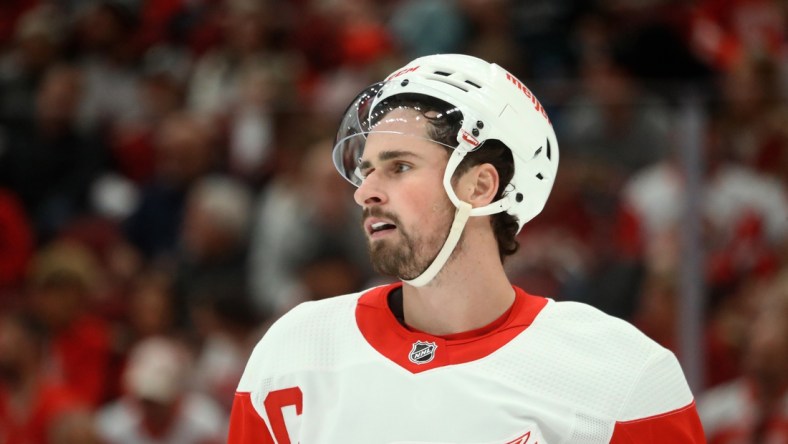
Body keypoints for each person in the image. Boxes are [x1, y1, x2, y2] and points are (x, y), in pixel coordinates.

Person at [227, 54, 705, 443]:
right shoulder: (294, 351)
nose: (364, 191)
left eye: (398, 167)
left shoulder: (622, 375)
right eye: (367, 169)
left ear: (481, 186)